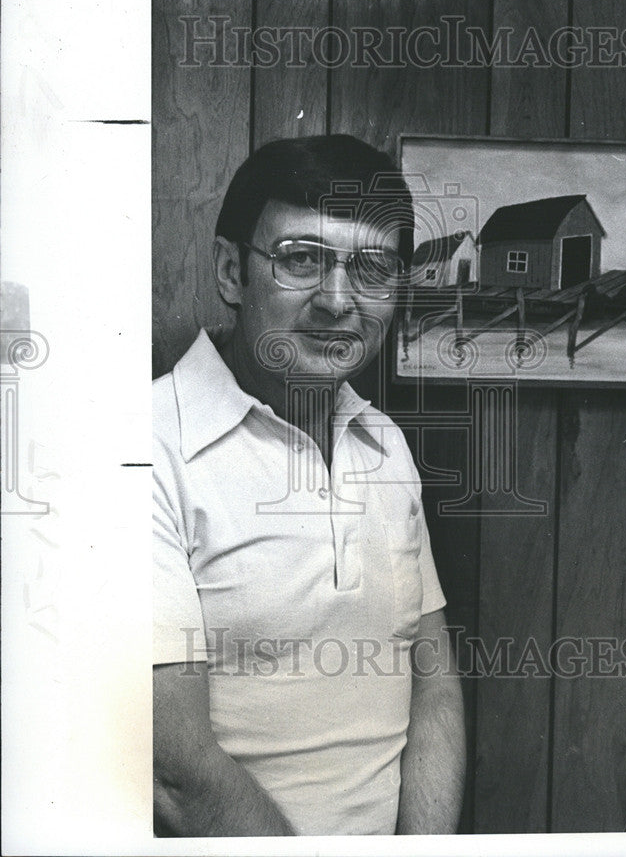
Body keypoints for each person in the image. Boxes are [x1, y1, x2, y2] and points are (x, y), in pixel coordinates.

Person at [152, 134, 466, 836]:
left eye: (373, 268)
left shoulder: (383, 442)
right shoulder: (147, 449)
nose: (337, 301)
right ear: (232, 272)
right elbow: (173, 772)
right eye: (301, 260)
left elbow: (434, 686)